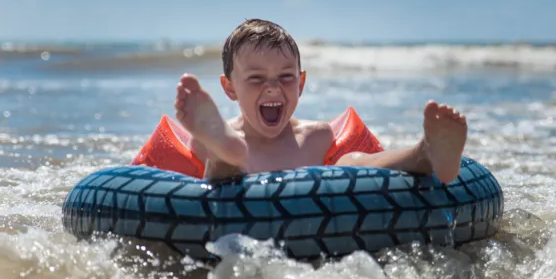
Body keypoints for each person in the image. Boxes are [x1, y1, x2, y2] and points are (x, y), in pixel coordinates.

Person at [174, 19, 467, 182]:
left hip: (307, 227)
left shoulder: (316, 136)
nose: (273, 88)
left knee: (350, 163)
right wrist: (217, 145)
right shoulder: (203, 141)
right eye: (256, 78)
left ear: (301, 84)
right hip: (229, 212)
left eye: (286, 77)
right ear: (230, 89)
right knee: (221, 170)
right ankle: (228, 155)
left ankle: (425, 153)